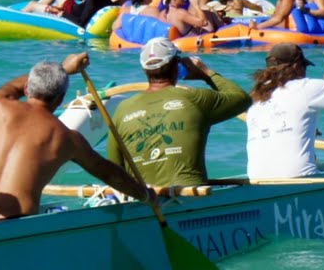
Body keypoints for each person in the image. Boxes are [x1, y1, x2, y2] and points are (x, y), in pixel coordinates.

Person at [0, 53, 150, 224]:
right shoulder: (66, 138)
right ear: (60, 99)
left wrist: (64, 68)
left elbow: (13, 87)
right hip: (17, 229)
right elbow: (109, 174)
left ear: (27, 88)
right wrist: (145, 195)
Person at [108, 37, 251, 187]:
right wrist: (206, 74)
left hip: (142, 201)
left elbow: (114, 168)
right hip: (190, 198)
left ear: (145, 70)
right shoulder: (195, 98)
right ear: (177, 65)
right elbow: (242, 99)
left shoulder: (122, 109)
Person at [245, 25, 324, 177]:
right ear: (297, 66)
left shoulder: (255, 96)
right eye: (304, 66)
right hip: (299, 180)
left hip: (257, 181)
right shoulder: (304, 87)